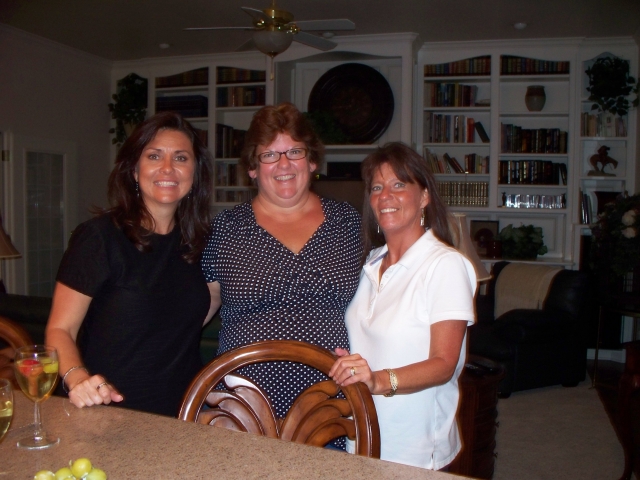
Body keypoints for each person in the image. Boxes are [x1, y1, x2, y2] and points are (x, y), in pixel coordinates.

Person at [201, 102, 362, 430]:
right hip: (243, 402)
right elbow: (194, 312)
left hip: (329, 401)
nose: (284, 164)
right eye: (269, 155)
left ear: (312, 160)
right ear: (252, 167)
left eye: (295, 152)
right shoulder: (225, 229)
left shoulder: (348, 223)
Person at [45, 111, 213, 417]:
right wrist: (77, 378)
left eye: (180, 158)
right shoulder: (99, 238)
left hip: (183, 413)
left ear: (195, 172)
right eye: (154, 156)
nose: (167, 168)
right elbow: (60, 329)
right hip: (107, 409)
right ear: (134, 170)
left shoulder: (201, 243)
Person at [329, 142, 477, 469]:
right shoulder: (369, 263)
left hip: (417, 448)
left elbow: (443, 364)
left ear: (424, 196)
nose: (386, 196)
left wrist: (377, 380)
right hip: (365, 434)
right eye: (377, 187)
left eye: (399, 184)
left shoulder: (445, 265)